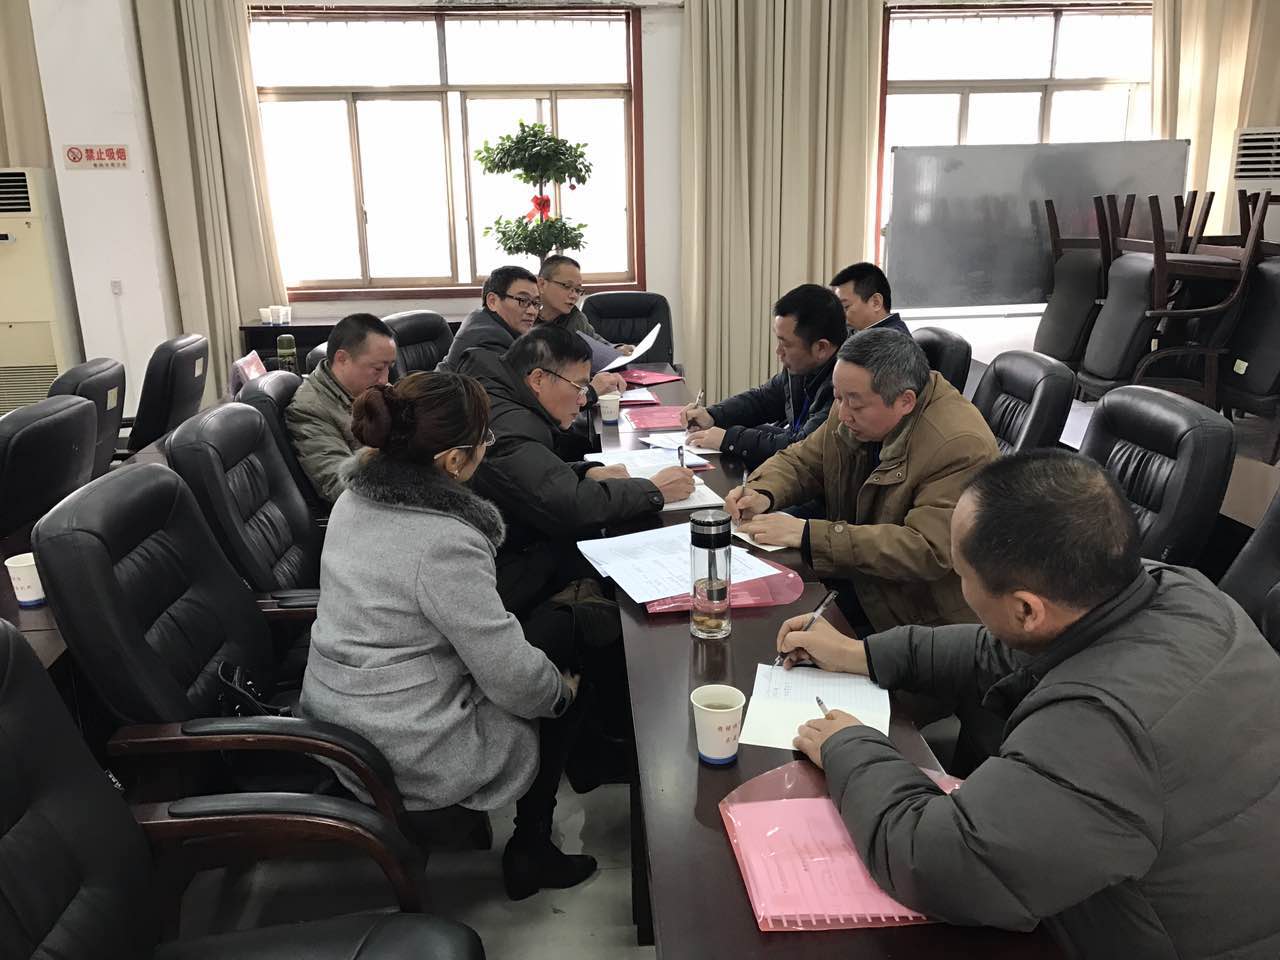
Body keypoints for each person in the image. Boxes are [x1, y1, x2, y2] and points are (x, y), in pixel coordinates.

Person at [778, 450, 1280, 958]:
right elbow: (1001, 649)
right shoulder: (1169, 590)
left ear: (1025, 608)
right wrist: (860, 654)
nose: (960, 585)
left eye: (962, 573)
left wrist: (852, 746)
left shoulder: (1101, 731)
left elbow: (937, 865)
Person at [298, 371, 596, 901]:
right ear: (454, 461)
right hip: (406, 741)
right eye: (486, 440)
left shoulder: (353, 499)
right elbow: (511, 678)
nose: (488, 448)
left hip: (340, 708)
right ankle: (532, 850)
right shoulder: (443, 540)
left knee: (539, 626)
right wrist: (560, 693)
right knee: (562, 661)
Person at [727, 329, 998, 634]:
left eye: (854, 405)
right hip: (863, 577)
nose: (842, 414)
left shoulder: (958, 445)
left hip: (917, 615)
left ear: (905, 401)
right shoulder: (853, 404)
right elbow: (805, 460)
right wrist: (762, 491)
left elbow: (926, 549)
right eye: (837, 397)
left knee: (776, 631)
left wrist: (809, 535)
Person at [459, 325, 695, 611]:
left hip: (513, 539)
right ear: (538, 379)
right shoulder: (507, 426)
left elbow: (527, 475)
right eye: (579, 387)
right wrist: (654, 490)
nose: (584, 399)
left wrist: (584, 471)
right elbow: (569, 506)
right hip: (500, 577)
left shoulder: (497, 390)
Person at [680, 284, 847, 469]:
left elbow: (802, 448)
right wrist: (712, 415)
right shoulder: (802, 367)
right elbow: (762, 400)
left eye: (786, 344)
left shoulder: (844, 387)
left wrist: (729, 439)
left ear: (821, 348)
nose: (778, 351)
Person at [440, 263, 626, 398]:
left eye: (536, 303)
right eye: (523, 301)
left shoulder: (493, 324)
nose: (531, 311)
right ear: (492, 301)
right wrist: (591, 392)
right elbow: (533, 399)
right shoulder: (487, 339)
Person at [286, 312, 396, 504]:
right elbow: (339, 486)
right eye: (378, 369)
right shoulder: (310, 409)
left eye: (390, 368)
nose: (385, 379)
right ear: (342, 359)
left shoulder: (373, 390)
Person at [537, 254, 634, 355]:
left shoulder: (575, 318)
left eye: (578, 290)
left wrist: (616, 348)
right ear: (542, 284)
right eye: (567, 286)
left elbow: (596, 343)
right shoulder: (528, 317)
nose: (574, 296)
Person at [830, 262, 909, 335]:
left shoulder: (893, 340)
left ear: (876, 302)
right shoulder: (859, 332)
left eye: (846, 306)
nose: (841, 315)